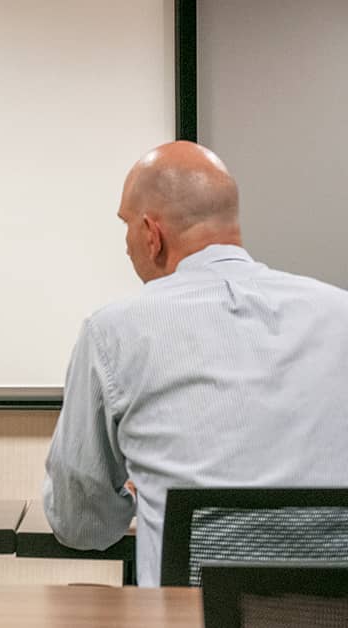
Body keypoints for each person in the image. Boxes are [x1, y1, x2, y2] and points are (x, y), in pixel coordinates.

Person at [42, 141, 348, 586]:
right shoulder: (340, 313)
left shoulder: (114, 331)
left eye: (126, 225)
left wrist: (137, 497)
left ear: (152, 233)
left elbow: (79, 523)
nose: (128, 245)